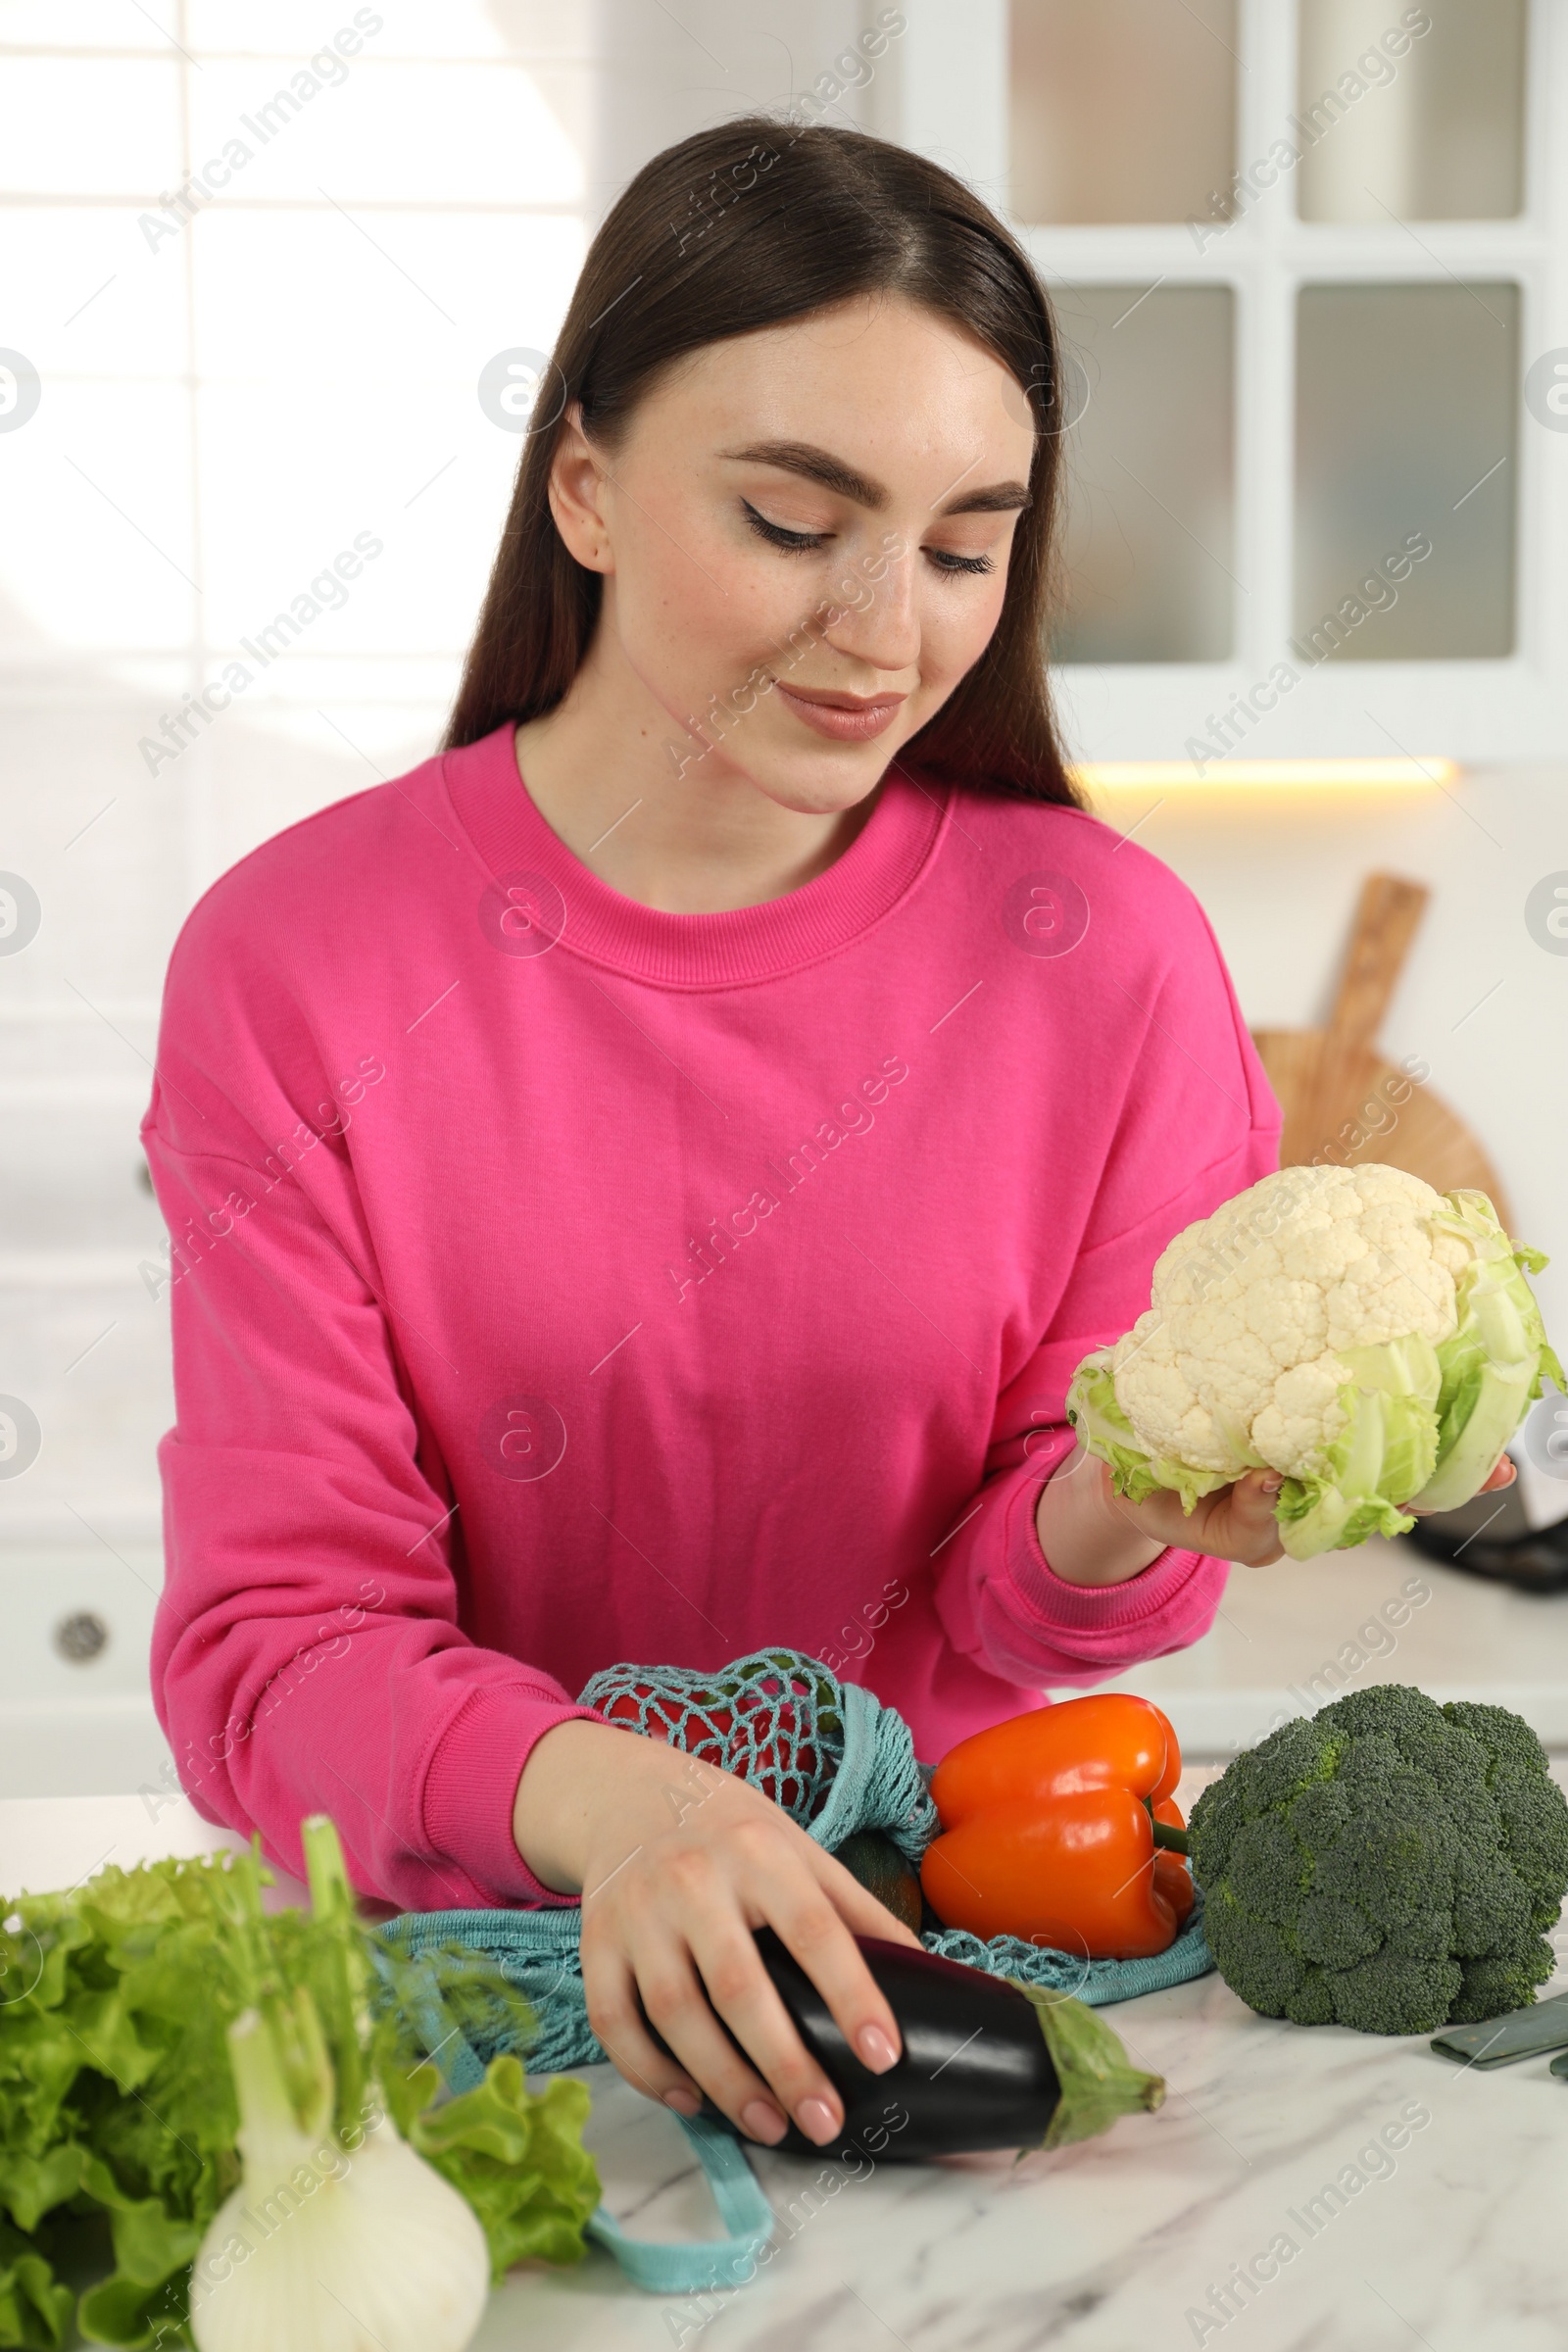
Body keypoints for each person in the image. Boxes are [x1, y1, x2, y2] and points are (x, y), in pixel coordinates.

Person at [143, 117, 1511, 2159]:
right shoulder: (298, 963)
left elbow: (1018, 1588)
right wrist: (631, 1803)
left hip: (935, 1994)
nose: (890, 627)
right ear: (584, 485)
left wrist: (1142, 1495)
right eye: (795, 519)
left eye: (966, 545)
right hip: (452, 2033)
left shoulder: (1104, 957)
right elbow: (277, 1650)